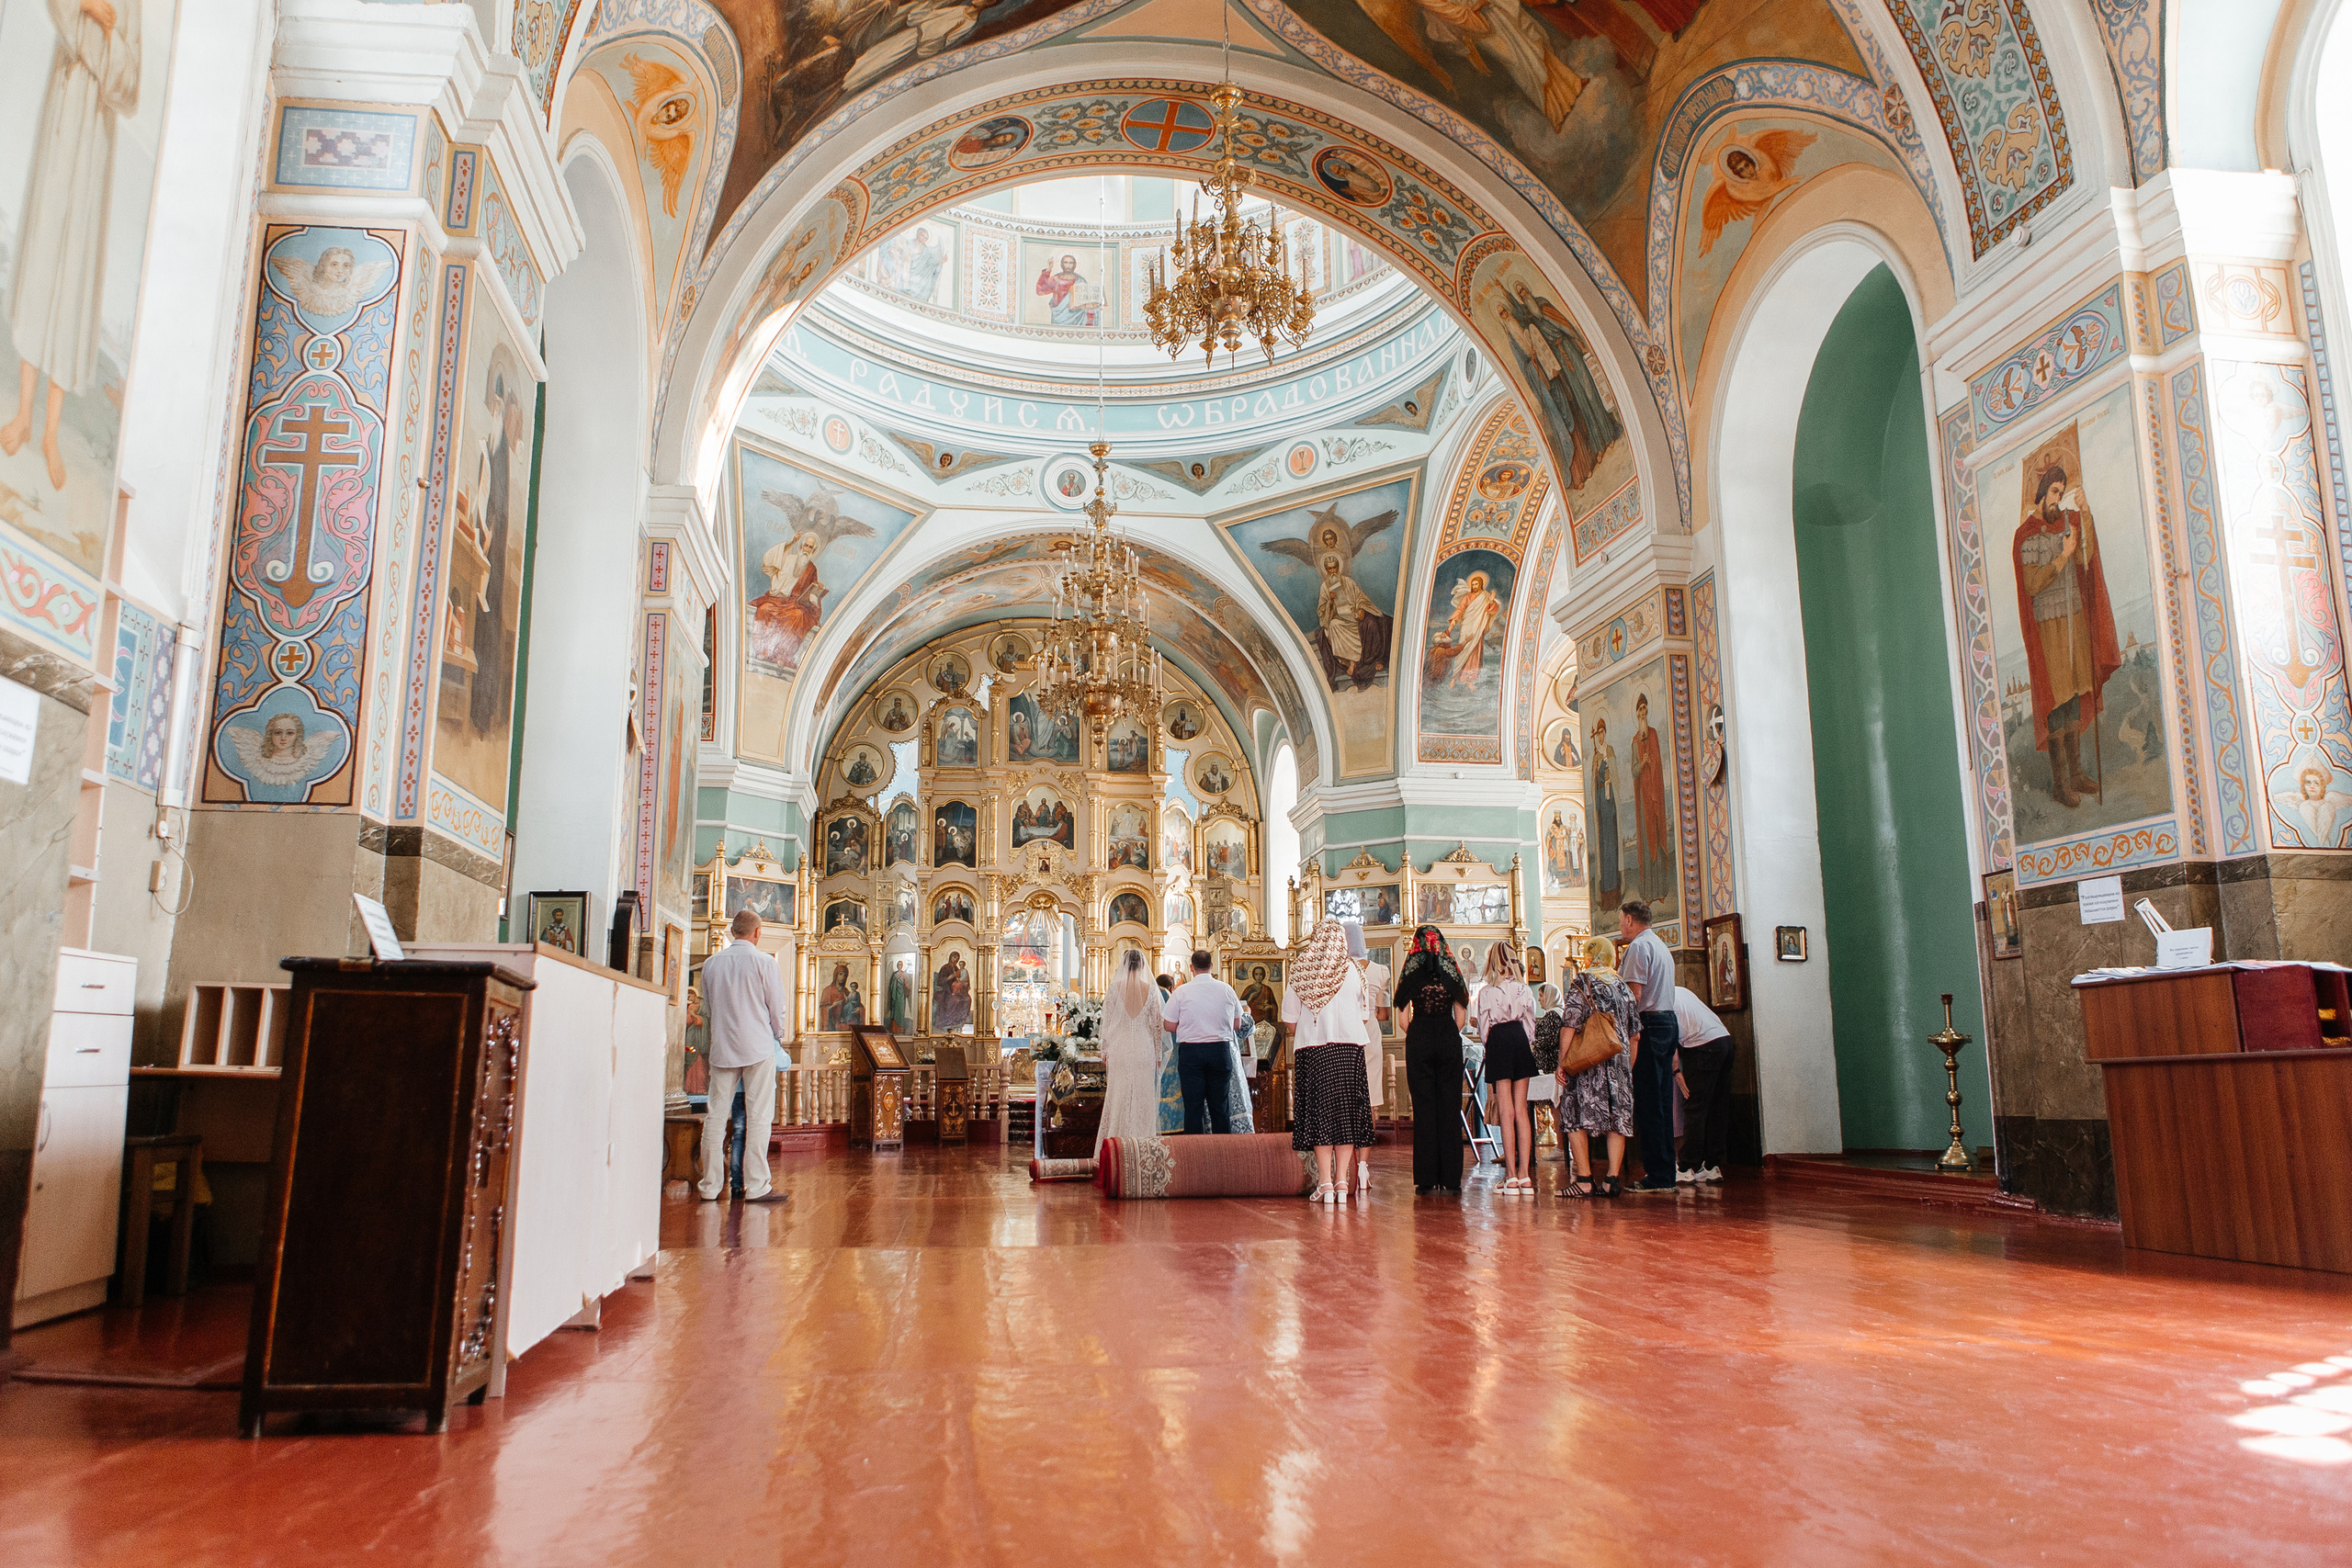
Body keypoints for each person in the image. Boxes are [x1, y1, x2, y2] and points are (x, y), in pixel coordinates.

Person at [697, 909, 789, 1203]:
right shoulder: (765, 962)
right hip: (758, 1047)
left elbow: (708, 1008)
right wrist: (779, 1034)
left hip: (723, 1047)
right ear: (757, 933)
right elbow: (776, 1008)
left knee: (715, 1116)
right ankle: (758, 1186)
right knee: (759, 1116)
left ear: (732, 932)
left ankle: (710, 1186)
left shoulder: (711, 964)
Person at [1282, 920, 1377, 1202]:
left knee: (1320, 1114)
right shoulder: (1355, 972)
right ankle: (1341, 1181)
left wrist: (1313, 1029)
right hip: (1350, 1051)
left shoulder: (1302, 969)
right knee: (1346, 1115)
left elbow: (1290, 1019)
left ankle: (1323, 1182)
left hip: (1315, 1052)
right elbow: (1363, 1016)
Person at [1557, 936, 1639, 1198]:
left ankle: (1583, 1179)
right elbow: (1635, 1034)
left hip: (1587, 1063)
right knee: (1618, 1120)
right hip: (1620, 1063)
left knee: (1574, 1111)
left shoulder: (1583, 982)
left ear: (1590, 956)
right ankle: (1612, 1178)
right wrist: (1628, 1067)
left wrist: (1563, 1062)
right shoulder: (1623, 986)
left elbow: (1570, 1024)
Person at [1393, 926, 1469, 1193]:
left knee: (1424, 1109)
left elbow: (1403, 1020)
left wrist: (1421, 1032)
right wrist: (1445, 1032)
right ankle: (1451, 1178)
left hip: (1419, 1039)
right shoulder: (1451, 970)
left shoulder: (1410, 973)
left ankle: (1426, 1179)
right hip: (1448, 1038)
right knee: (1449, 1107)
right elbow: (1461, 1018)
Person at [1616, 900, 1681, 1193]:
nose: (1620, 926)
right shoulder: (1660, 946)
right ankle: (1667, 1172)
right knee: (1663, 1102)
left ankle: (1658, 1175)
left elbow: (1634, 995)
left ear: (1630, 919)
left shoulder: (1639, 948)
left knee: (1649, 1103)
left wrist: (1625, 1033)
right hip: (1668, 1022)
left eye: (1621, 921)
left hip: (1649, 1026)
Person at [1162, 948, 1250, 1134]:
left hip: (1191, 1053)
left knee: (1193, 1107)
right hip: (1220, 1051)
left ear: (1191, 967)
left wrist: (1190, 1029)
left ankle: (1195, 1154)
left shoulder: (1181, 992)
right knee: (1220, 1107)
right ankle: (1223, 1153)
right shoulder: (1226, 989)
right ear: (1211, 966)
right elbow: (1237, 1024)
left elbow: (1168, 1025)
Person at [1476, 944, 1539, 1194]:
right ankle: (1525, 1175)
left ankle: (1510, 1176)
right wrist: (1524, 1042)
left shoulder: (1486, 992)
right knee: (1521, 1109)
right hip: (1520, 1039)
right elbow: (1531, 1024)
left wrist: (1490, 1045)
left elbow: (1483, 1027)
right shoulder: (1524, 989)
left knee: (1505, 1108)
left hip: (1499, 1040)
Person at [1096, 952, 1164, 1154]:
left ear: (1124, 965)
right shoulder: (1151, 990)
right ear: (1143, 966)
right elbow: (1158, 1026)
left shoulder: (1114, 989)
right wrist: (1158, 1054)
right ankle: (1142, 1148)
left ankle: (1116, 1148)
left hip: (1120, 1048)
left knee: (1118, 1095)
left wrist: (1105, 1051)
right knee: (1143, 1097)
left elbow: (1106, 1023)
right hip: (1144, 1048)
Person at [1674, 985, 1734, 1184]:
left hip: (1702, 1046)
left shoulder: (1659, 999)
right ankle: (1711, 1167)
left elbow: (1669, 1039)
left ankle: (1686, 1168)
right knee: (1718, 1107)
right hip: (1724, 1041)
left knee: (1695, 1107)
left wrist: (1676, 1072)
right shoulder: (1681, 990)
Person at [1346, 922, 1390, 1193]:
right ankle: (1364, 1166)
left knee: (1348, 1102)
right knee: (1371, 1101)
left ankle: (1347, 1165)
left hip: (1347, 1034)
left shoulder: (1340, 971)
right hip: (1371, 1035)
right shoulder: (1380, 971)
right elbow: (1383, 1014)